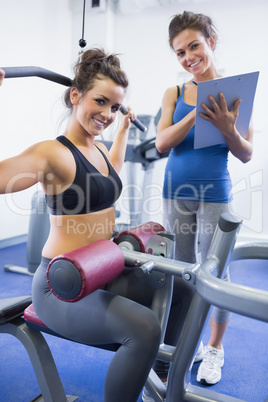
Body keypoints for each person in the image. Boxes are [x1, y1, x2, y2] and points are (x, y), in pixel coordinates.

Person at [0, 49, 161, 402]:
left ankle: (156, 379)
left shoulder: (99, 150)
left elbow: (111, 173)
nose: (106, 114)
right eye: (100, 101)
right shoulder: (52, 153)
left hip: (101, 269)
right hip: (61, 286)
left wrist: (119, 132)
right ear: (76, 95)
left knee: (175, 291)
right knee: (145, 328)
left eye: (115, 107)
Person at [149, 10, 253, 395]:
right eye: (180, 52)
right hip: (174, 191)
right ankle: (183, 342)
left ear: (211, 41)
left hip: (214, 192)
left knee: (215, 273)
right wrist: (195, 114)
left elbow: (245, 154)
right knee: (178, 270)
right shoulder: (174, 93)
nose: (188, 56)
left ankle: (214, 348)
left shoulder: (237, 90)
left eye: (194, 45)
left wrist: (228, 129)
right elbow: (161, 144)